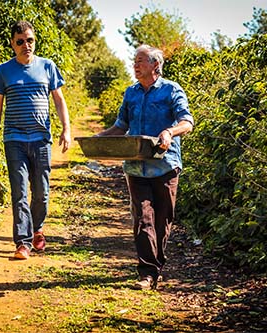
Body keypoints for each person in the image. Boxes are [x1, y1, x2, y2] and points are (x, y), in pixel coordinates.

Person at [96, 44, 194, 290]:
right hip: (136, 167)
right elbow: (121, 126)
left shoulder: (172, 90)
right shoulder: (131, 93)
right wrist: (100, 139)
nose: (135, 65)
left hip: (165, 165)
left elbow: (187, 122)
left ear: (155, 65)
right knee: (142, 217)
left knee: (163, 218)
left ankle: (156, 264)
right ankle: (147, 272)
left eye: (140, 60)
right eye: (134, 60)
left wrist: (170, 131)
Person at [0, 20, 71, 260]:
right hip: (13, 140)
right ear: (13, 45)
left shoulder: (48, 66)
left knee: (42, 193)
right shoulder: (4, 70)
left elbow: (58, 99)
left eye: (30, 40)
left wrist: (66, 128)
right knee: (19, 192)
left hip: (41, 140)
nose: (26, 45)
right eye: (21, 42)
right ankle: (22, 242)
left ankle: (37, 229)